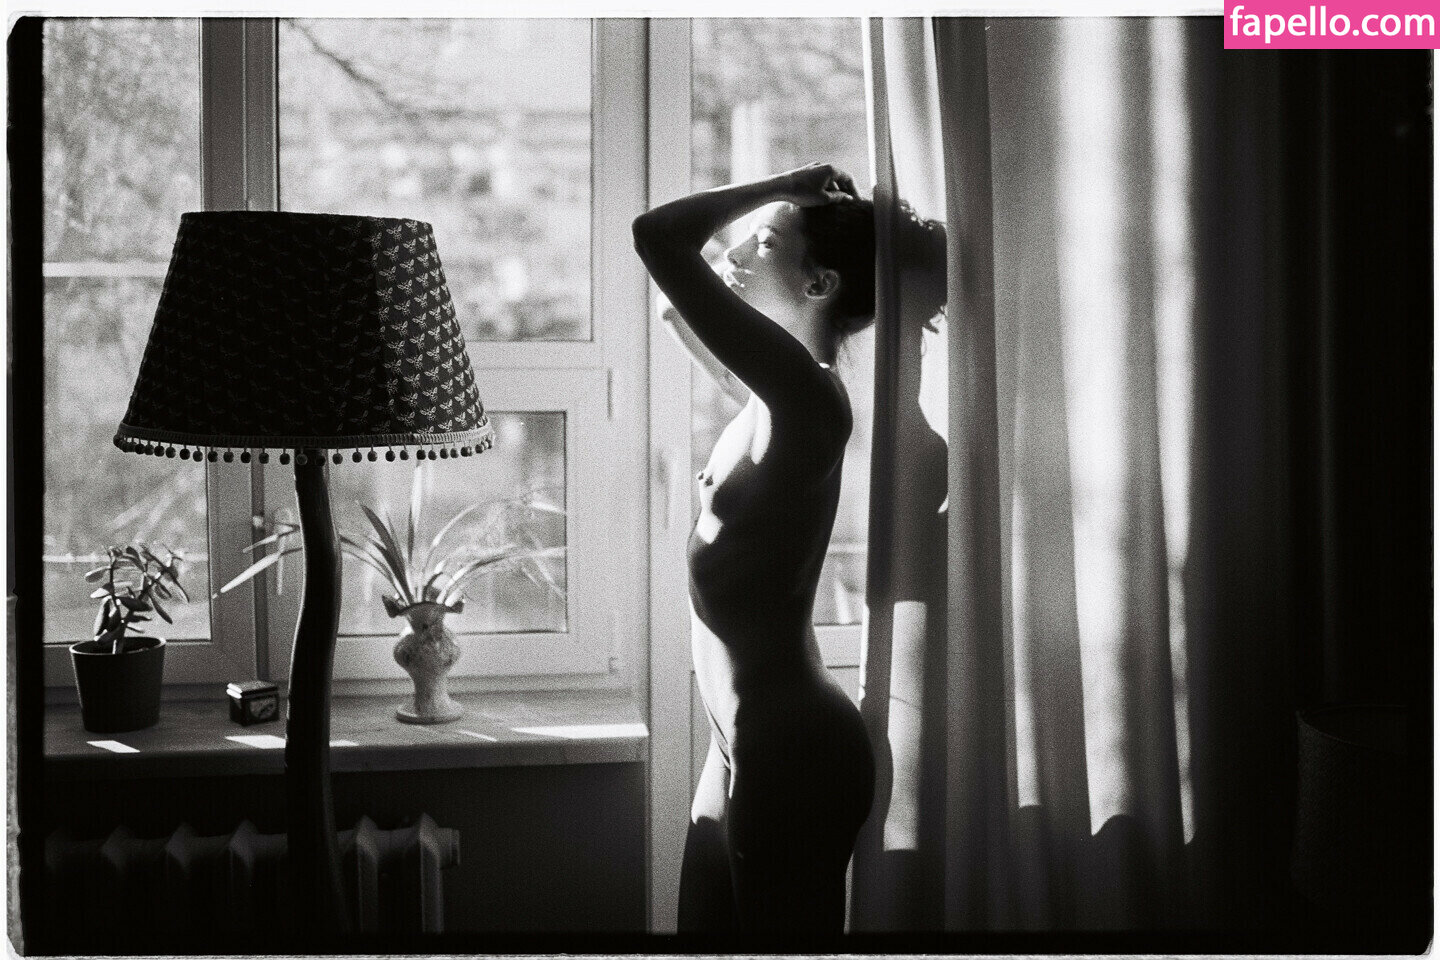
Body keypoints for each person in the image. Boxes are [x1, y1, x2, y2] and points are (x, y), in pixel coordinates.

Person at [632, 162, 878, 933]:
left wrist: (788, 184)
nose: (735, 253)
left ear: (820, 284)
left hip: (793, 749)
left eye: (764, 243)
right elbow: (675, 303)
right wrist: (775, 220)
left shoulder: (806, 398)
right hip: (736, 740)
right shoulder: (770, 400)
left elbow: (659, 237)